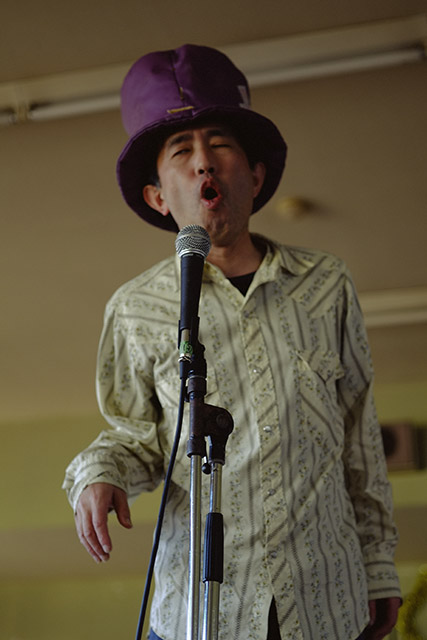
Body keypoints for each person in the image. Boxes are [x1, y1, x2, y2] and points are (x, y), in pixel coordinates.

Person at [63, 44, 401, 640]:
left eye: (219, 144)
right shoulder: (136, 307)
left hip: (325, 603)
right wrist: (99, 472)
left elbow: (359, 438)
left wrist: (378, 568)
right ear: (158, 196)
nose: (204, 163)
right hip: (199, 614)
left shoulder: (326, 284)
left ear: (256, 175)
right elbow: (137, 437)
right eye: (181, 151)